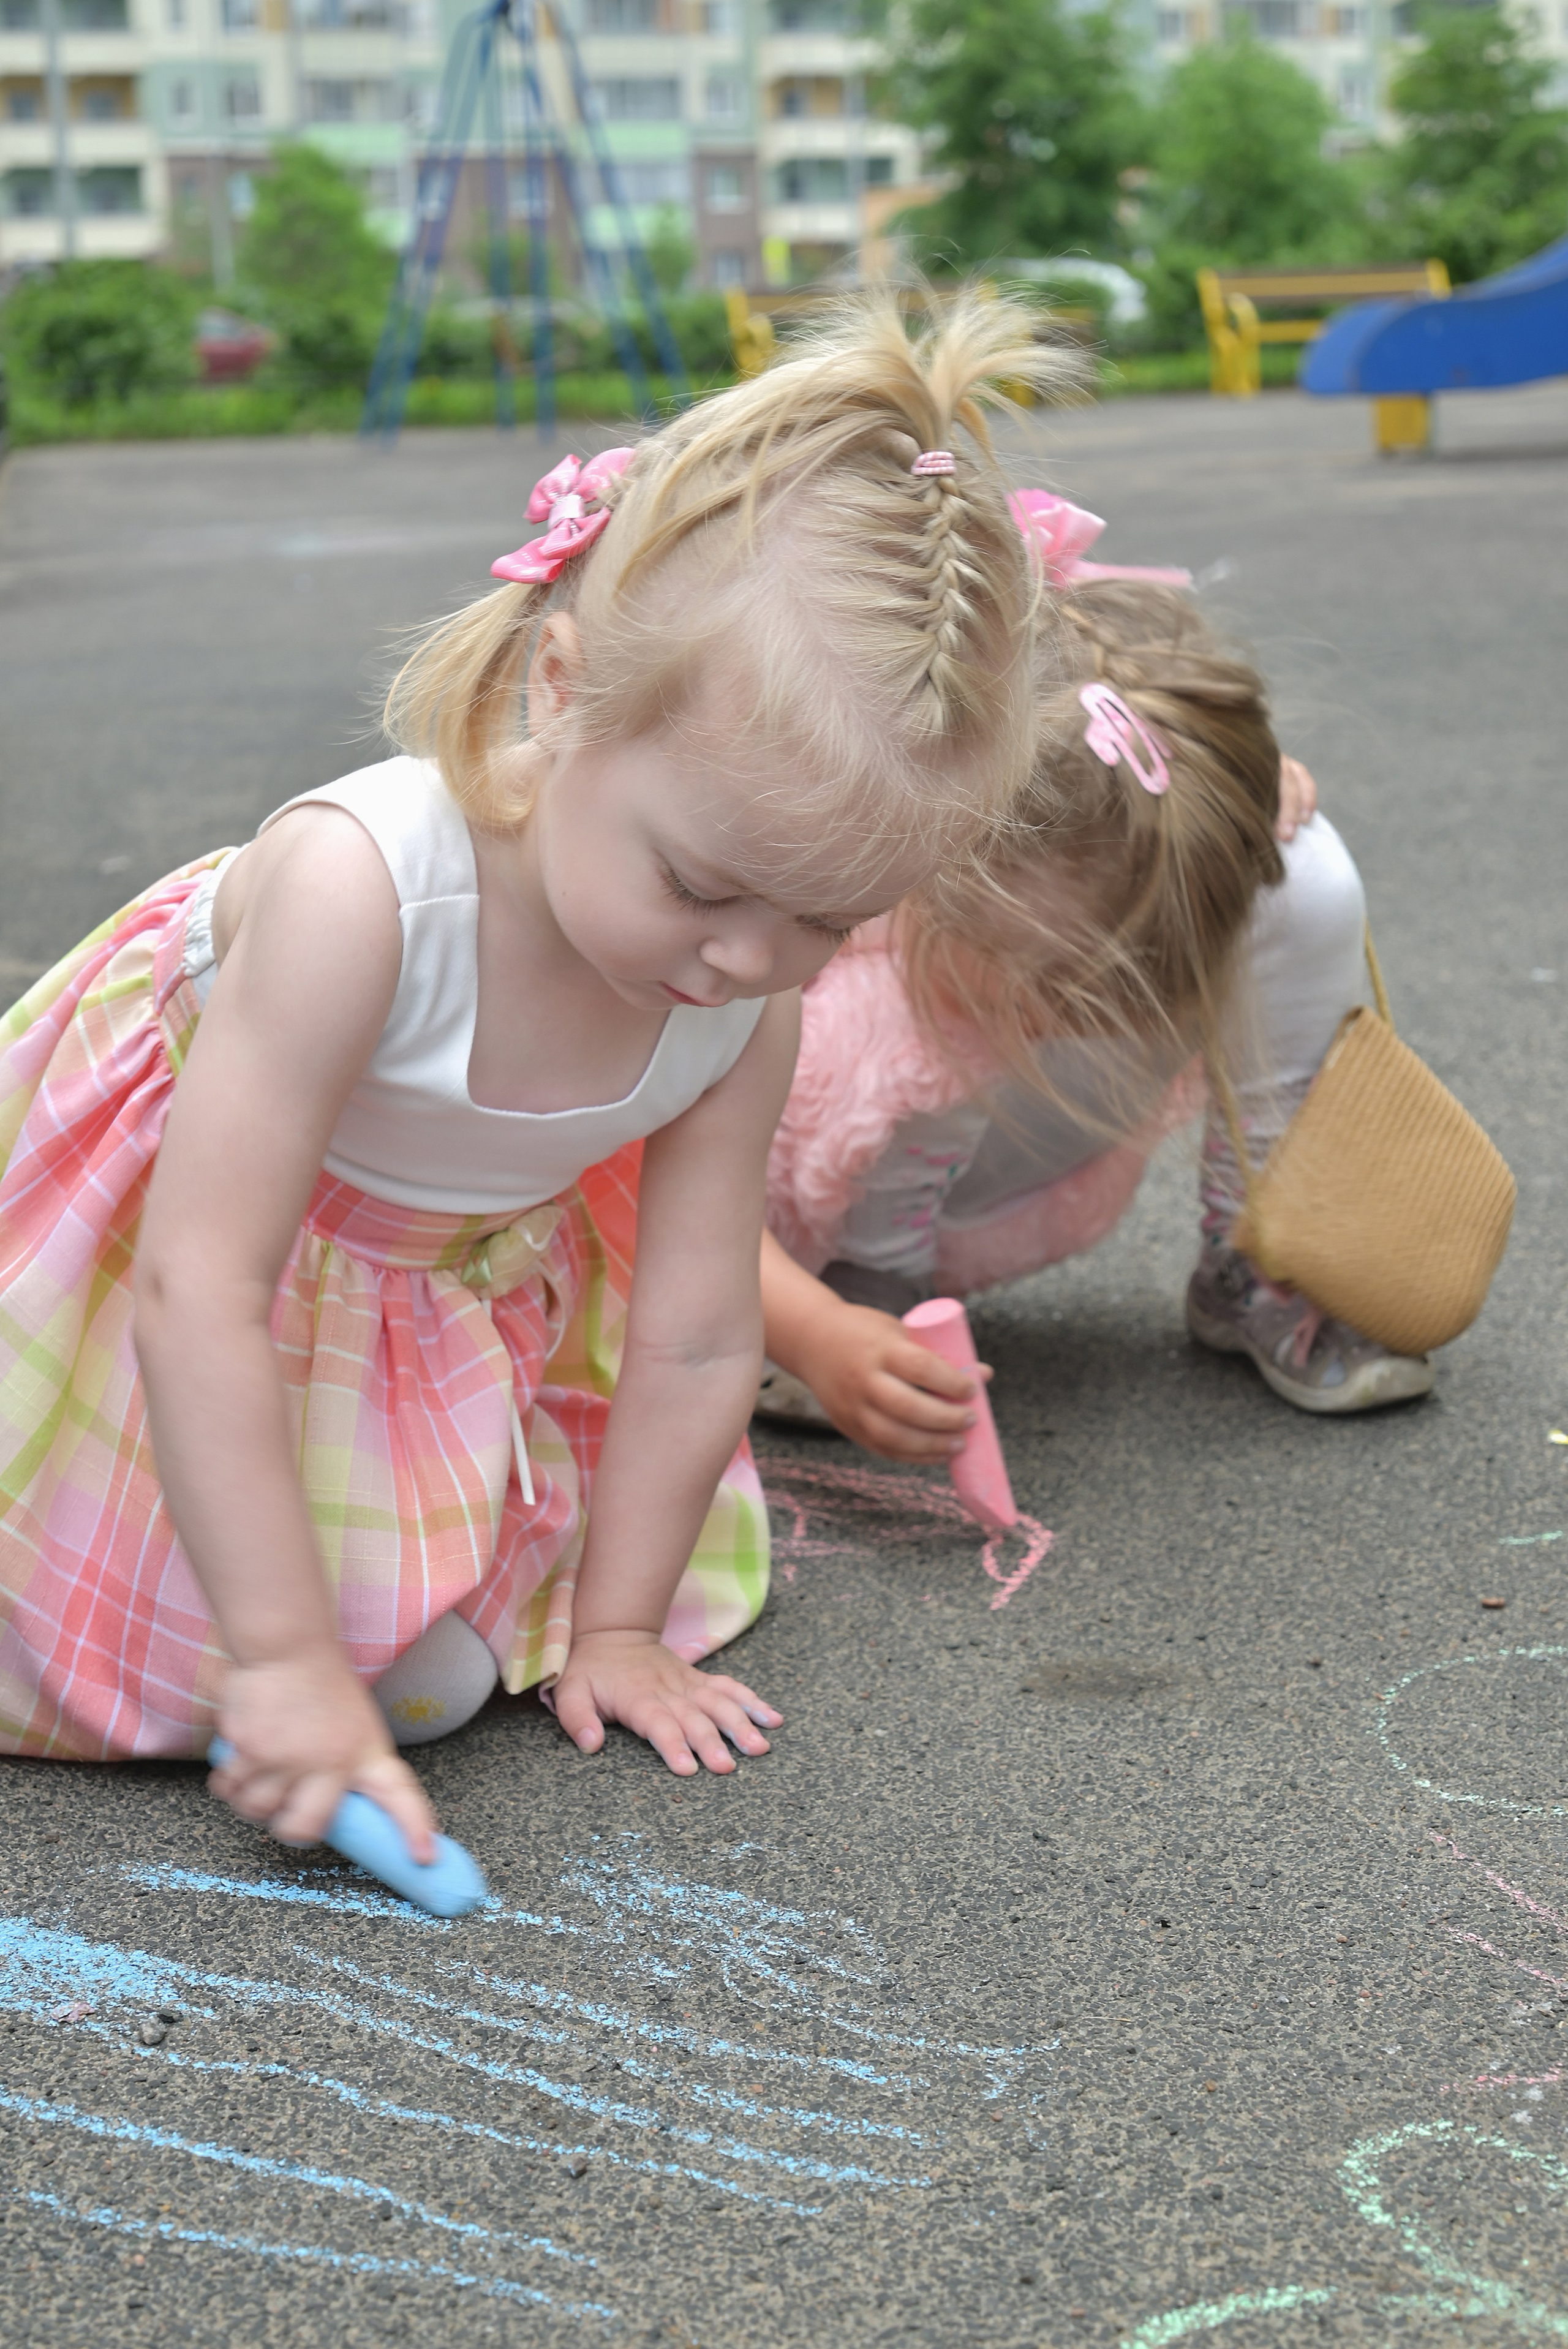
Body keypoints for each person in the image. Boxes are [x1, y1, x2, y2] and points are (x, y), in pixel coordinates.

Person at [0, 292, 1062, 1855]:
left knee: (427, 1668)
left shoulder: (737, 995)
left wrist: (621, 1626)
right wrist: (288, 1663)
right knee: (157, 1659)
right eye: (701, 888)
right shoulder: (360, 899)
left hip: (422, 1287)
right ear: (560, 690)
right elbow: (197, 1289)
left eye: (825, 920)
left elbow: (700, 1337)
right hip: (163, 1271)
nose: (741, 966)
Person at [757, 548, 1435, 1465]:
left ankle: (1258, 1252)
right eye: (1050, 985)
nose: (1065, 1018)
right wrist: (803, 1325)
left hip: (994, 1148)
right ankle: (866, 1279)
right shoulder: (839, 820)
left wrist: (1218, 811)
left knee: (1293, 872)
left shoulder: (1092, 825)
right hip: (768, 1206)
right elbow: (642, 1165)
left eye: (1087, 989)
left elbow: (1144, 797)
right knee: (924, 1010)